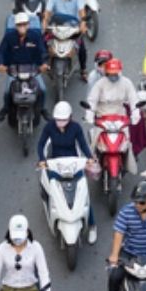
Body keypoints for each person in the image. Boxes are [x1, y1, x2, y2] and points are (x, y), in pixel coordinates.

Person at [36, 101, 98, 243]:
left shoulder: (76, 128)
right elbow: (40, 144)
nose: (60, 122)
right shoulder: (49, 127)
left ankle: (92, 225)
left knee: (83, 191)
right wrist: (42, 159)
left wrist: (89, 158)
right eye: (58, 119)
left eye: (63, 119)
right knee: (53, 186)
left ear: (70, 117)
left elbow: (82, 144)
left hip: (74, 163)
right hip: (55, 163)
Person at [0, 12, 49, 121]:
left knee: (42, 89)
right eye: (19, 24)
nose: (22, 27)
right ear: (16, 26)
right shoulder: (9, 37)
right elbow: (0, 51)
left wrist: (44, 64)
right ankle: (5, 108)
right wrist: (1, 64)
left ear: (28, 25)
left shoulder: (35, 36)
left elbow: (43, 51)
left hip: (32, 67)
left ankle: (42, 109)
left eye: (24, 24)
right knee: (7, 92)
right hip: (14, 68)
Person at [44, 0, 89, 77]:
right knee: (44, 42)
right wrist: (44, 22)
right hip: (57, 26)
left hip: (73, 28)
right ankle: (45, 63)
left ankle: (83, 69)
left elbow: (82, 12)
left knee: (81, 47)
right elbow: (47, 12)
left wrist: (83, 24)